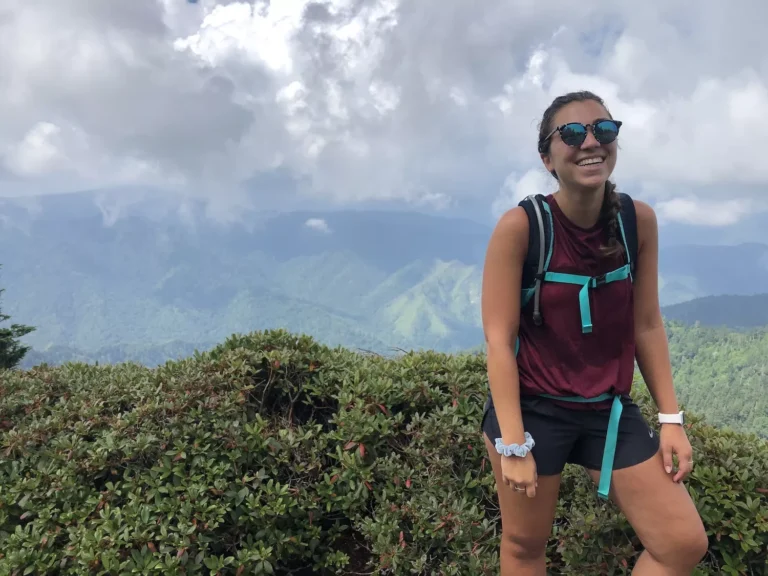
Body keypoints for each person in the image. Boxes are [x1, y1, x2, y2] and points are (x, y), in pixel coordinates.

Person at [479, 90, 708, 575]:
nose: (590, 142)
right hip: (534, 408)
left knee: (682, 543)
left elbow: (646, 323)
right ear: (547, 157)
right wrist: (513, 444)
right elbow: (499, 342)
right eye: (572, 133)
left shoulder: (635, 221)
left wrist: (671, 418)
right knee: (525, 545)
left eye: (603, 130)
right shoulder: (521, 227)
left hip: (608, 410)